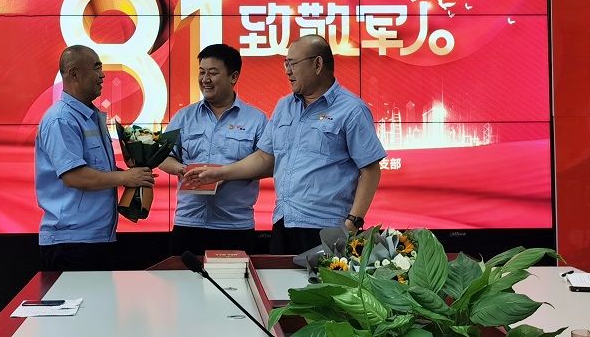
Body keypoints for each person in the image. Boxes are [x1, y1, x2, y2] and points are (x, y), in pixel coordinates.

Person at [185, 34, 386, 255]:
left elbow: (370, 170)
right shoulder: (284, 107)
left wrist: (352, 223)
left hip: (328, 227)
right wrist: (220, 173)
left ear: (317, 64)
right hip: (284, 222)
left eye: (292, 63)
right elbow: (264, 158)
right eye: (286, 64)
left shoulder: (351, 109)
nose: (287, 71)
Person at [35, 45, 155, 271]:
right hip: (71, 242)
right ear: (74, 74)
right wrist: (125, 178)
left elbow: (97, 171)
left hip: (98, 238)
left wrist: (134, 176)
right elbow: (74, 176)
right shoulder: (61, 119)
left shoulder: (90, 117)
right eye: (97, 68)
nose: (102, 75)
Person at [159, 44, 268, 255]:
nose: (205, 79)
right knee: (183, 277)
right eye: (202, 72)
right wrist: (182, 170)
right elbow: (162, 156)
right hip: (189, 223)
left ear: (233, 77)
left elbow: (267, 165)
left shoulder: (256, 119)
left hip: (235, 226)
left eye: (213, 73)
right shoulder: (184, 117)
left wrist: (224, 173)